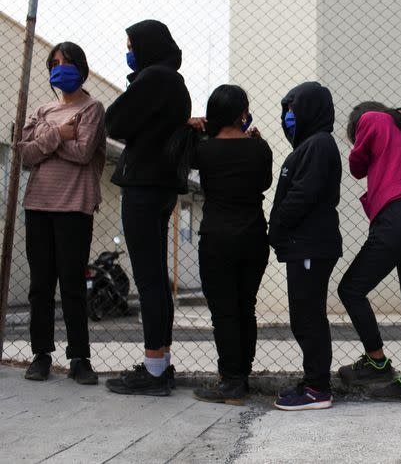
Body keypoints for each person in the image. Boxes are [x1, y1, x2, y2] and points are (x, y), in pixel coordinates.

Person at [104, 20, 192, 397]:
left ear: (146, 46)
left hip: (143, 186)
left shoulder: (154, 78)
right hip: (161, 187)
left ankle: (154, 370)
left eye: (131, 44)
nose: (129, 51)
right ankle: (160, 363)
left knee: (149, 278)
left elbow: (114, 121)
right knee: (155, 277)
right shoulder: (174, 81)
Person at [16, 42, 106, 385]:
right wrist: (59, 133)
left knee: (71, 284)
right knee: (40, 285)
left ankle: (79, 358)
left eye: (67, 62)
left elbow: (83, 152)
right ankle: (41, 355)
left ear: (81, 67)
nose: (60, 68)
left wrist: (46, 142)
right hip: (37, 205)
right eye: (54, 62)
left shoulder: (93, 107)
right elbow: (24, 153)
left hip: (74, 206)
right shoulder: (43, 111)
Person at [337, 102, 401, 404]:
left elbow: (356, 166)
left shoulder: (371, 119)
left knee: (351, 289)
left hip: (396, 216)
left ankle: (377, 362)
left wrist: (361, 143)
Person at [185, 85, 272, 406]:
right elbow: (264, 183)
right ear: (243, 113)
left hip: (217, 239)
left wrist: (197, 129)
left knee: (224, 313)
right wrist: (254, 139)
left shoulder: (205, 150)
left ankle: (231, 381)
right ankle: (242, 377)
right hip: (252, 237)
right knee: (244, 308)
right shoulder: (260, 148)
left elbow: (191, 155)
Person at [270, 82, 343, 411]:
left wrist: (277, 226)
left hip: (311, 245)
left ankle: (317, 388)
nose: (287, 116)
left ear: (310, 109)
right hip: (304, 246)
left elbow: (302, 195)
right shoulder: (309, 146)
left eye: (293, 109)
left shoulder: (318, 145)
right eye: (285, 110)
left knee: (308, 317)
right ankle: (314, 380)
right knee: (305, 316)